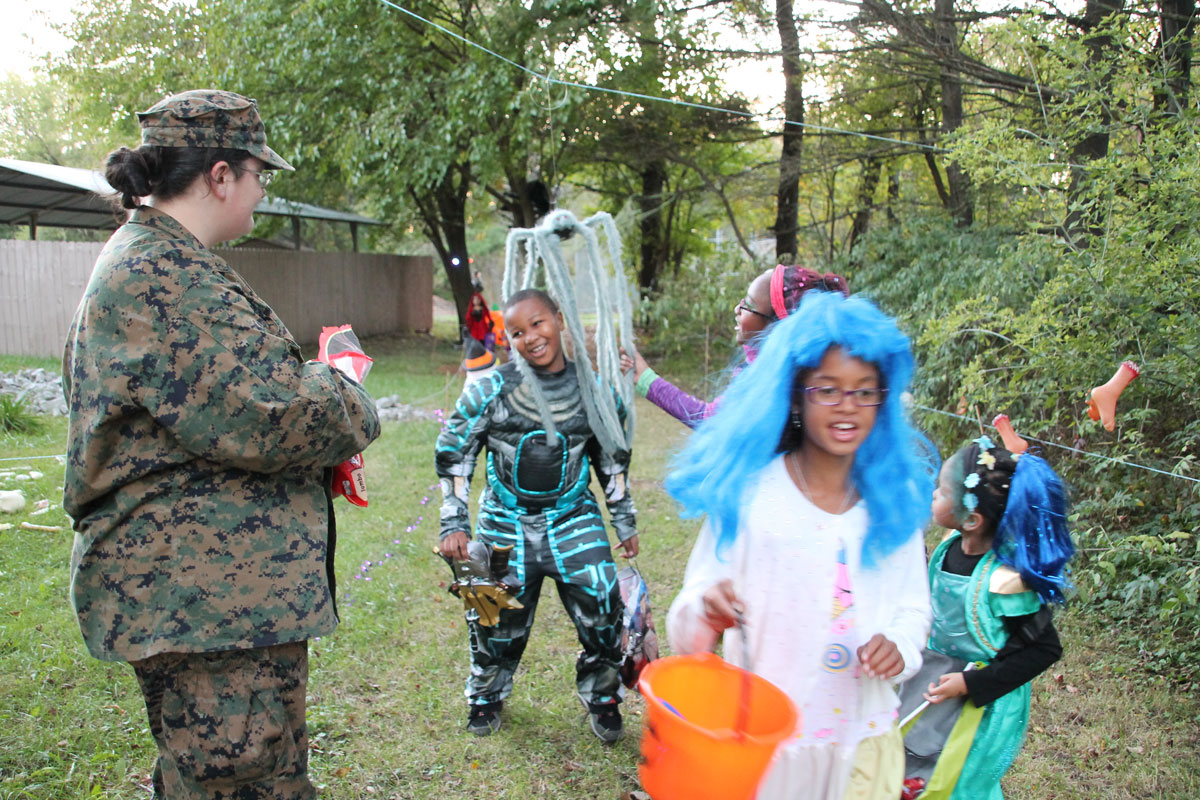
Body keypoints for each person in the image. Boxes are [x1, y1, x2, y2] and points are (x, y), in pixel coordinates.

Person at [62, 90, 381, 799]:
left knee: (254, 772)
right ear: (219, 175)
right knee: (235, 780)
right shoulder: (161, 274)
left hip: (216, 598)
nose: (262, 191)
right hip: (202, 601)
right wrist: (344, 387)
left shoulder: (168, 262)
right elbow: (273, 415)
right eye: (258, 174)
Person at [665, 291, 933, 800]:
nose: (847, 406)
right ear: (795, 393)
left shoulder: (891, 507)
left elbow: (913, 609)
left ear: (884, 398)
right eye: (827, 389)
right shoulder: (750, 496)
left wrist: (898, 647)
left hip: (862, 745)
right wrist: (706, 608)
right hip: (766, 751)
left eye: (864, 391)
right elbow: (686, 628)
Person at [435, 288, 638, 742]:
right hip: (502, 518)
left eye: (539, 324)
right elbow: (454, 451)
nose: (531, 338)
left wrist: (623, 519)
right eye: (517, 332)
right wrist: (453, 521)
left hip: (572, 517)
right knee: (487, 613)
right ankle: (485, 694)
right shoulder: (490, 387)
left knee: (604, 602)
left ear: (560, 319)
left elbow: (612, 458)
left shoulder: (596, 391)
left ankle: (603, 697)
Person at [897, 438, 1072, 800]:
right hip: (933, 676)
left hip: (977, 704)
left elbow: (1044, 649)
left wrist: (971, 684)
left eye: (943, 492)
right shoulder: (949, 546)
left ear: (972, 518)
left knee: (957, 780)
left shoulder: (1004, 582)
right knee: (912, 764)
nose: (934, 494)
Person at [621, 264, 848, 428]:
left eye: (747, 305)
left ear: (776, 325)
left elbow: (708, 419)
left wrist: (645, 379)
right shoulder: (797, 371)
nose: (737, 309)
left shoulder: (770, 383)